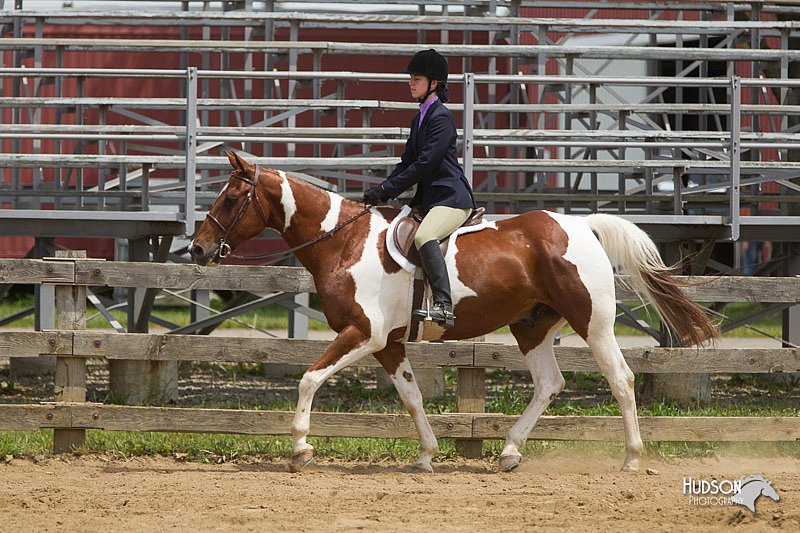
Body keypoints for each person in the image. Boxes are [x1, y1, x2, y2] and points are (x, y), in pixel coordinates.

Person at [362, 48, 476, 328]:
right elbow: (407, 162)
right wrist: (381, 191)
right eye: (411, 78)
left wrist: (389, 188)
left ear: (433, 83)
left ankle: (443, 304)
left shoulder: (441, 118)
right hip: (428, 199)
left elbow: (425, 165)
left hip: (451, 198)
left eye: (416, 78)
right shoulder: (420, 118)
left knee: (424, 236)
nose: (410, 83)